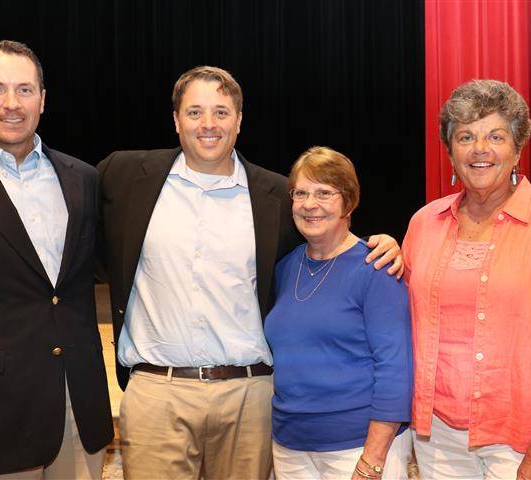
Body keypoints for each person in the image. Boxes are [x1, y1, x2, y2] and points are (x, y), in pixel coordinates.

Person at [95, 66, 402, 479]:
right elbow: (65, 195)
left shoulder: (276, 196)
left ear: (239, 121)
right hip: (157, 392)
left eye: (221, 112)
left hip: (249, 398)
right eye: (195, 112)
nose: (208, 125)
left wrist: (382, 243)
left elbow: (327, 239)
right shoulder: (126, 175)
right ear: (175, 120)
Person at [401, 79, 531, 479]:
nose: (480, 150)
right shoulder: (424, 224)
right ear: (450, 152)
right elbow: (401, 322)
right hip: (436, 436)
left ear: (518, 148)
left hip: (521, 438)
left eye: (496, 136)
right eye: (465, 137)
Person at [0, 41, 113, 478]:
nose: (12, 104)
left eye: (25, 90)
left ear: (43, 100)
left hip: (78, 405)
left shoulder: (82, 178)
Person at [264, 146, 413, 480]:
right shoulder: (286, 267)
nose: (309, 204)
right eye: (300, 192)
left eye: (324, 193)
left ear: (349, 201)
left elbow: (395, 369)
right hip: (290, 446)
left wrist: (372, 459)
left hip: (356, 449)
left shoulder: (376, 267)